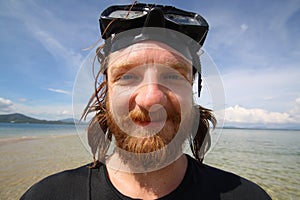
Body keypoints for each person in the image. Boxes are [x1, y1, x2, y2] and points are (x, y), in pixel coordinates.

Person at [21, 3, 271, 200]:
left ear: (192, 92)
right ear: (105, 93)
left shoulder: (249, 197)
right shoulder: (44, 196)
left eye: (173, 75)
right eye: (127, 76)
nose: (151, 98)